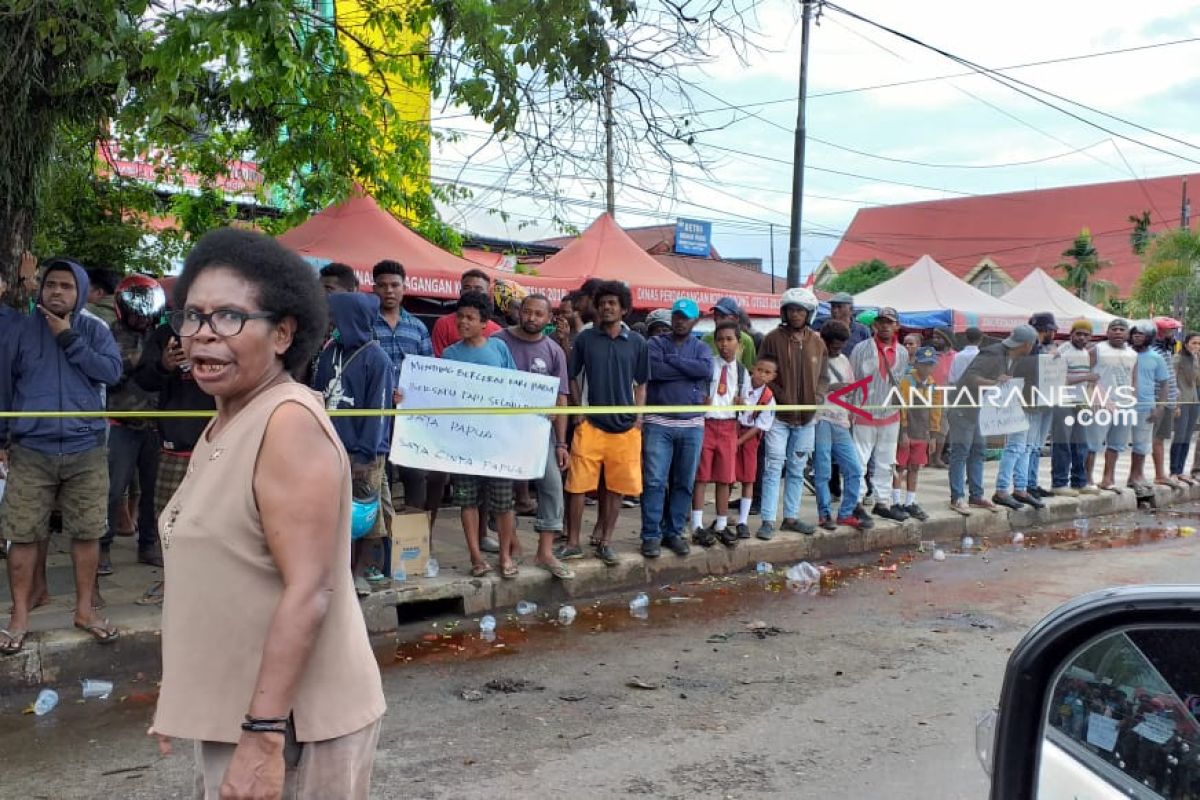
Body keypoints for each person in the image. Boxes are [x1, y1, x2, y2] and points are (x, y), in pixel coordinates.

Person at [150, 228, 384, 798]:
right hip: (244, 715)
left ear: (283, 333)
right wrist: (181, 694)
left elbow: (309, 591)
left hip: (293, 727)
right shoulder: (227, 418)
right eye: (193, 316)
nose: (203, 334)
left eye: (229, 317)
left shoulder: (287, 423)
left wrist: (262, 738)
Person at [0, 259, 123, 654]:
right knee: (21, 534)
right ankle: (19, 615)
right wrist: (2, 439)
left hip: (85, 448)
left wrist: (69, 338)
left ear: (81, 292)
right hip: (30, 450)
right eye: (50, 284)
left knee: (87, 531)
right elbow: (4, 386)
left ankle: (85, 610)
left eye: (66, 286)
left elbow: (111, 373)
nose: (56, 291)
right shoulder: (20, 330)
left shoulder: (94, 329)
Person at [130, 311, 217, 607]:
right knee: (169, 518)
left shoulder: (228, 329)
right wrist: (165, 365)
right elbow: (144, 379)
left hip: (220, 442)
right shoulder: (167, 332)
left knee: (214, 520)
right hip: (175, 444)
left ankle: (209, 583)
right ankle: (173, 582)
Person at [312, 292, 396, 596]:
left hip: (363, 453)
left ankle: (356, 573)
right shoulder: (329, 351)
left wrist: (365, 456)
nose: (332, 323)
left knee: (361, 517)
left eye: (336, 318)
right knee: (331, 515)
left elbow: (379, 412)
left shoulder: (378, 360)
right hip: (328, 446)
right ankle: (332, 571)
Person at [561, 281, 649, 562]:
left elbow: (641, 383)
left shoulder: (637, 342)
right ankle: (573, 542)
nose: (607, 307)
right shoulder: (586, 339)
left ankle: (606, 541)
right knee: (576, 486)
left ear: (624, 308)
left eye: (613, 303)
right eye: (603, 303)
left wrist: (639, 417)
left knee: (616, 487)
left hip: (626, 429)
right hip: (591, 426)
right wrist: (579, 411)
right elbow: (572, 376)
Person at [492, 294, 575, 580]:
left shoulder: (554, 351)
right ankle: (508, 548)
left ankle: (545, 552)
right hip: (501, 431)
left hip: (540, 433)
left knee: (552, 486)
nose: (531, 318)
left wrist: (562, 443)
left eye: (538, 314)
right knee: (502, 492)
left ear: (548, 318)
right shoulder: (497, 341)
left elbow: (561, 399)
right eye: (527, 312)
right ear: (519, 312)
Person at [438, 292, 520, 577]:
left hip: (498, 441)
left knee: (503, 501)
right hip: (464, 441)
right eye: (460, 316)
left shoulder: (498, 350)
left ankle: (505, 557)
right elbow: (438, 394)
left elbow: (516, 388)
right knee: (467, 500)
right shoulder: (449, 355)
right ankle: (475, 557)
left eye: (470, 318)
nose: (463, 322)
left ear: (484, 323)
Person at [98, 275, 168, 577]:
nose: (141, 317)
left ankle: (148, 544)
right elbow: (109, 376)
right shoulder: (109, 334)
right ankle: (102, 546)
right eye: (135, 311)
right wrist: (141, 360)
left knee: (153, 491)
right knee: (113, 489)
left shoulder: (162, 335)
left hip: (156, 424)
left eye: (145, 311)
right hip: (121, 421)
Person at [640, 298, 709, 558]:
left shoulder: (701, 347)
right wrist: (686, 369)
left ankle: (674, 532)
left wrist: (674, 362)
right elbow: (655, 371)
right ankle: (651, 535)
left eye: (686, 317)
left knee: (683, 482)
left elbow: (704, 369)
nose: (680, 320)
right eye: (677, 316)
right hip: (659, 422)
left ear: (695, 320)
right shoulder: (655, 344)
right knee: (655, 481)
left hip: (692, 425)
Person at [370, 259, 437, 524]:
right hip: (376, 415)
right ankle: (380, 538)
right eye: (383, 285)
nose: (389, 290)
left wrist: (414, 396)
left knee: (415, 475)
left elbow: (428, 372)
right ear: (374, 288)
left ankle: (413, 539)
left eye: (395, 285)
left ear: (404, 288)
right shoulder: (366, 325)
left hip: (410, 416)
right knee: (378, 474)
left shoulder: (418, 327)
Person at [756, 287, 826, 539]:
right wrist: (777, 395)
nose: (796, 314)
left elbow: (824, 377)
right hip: (778, 417)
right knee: (773, 467)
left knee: (797, 468)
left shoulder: (817, 342)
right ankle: (767, 520)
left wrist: (817, 399)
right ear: (784, 311)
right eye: (792, 309)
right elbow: (762, 372)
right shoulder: (772, 338)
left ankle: (791, 517)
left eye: (800, 310)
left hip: (806, 419)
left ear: (809, 313)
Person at [948, 326, 1038, 517]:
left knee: (978, 452)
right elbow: (971, 378)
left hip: (980, 411)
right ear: (1027, 345)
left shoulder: (1010, 356)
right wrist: (995, 383)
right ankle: (957, 497)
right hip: (963, 408)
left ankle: (977, 495)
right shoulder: (994, 354)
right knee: (960, 453)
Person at [848, 306, 909, 522]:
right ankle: (855, 501)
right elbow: (853, 381)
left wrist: (900, 414)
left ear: (896, 326)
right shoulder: (861, 348)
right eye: (881, 322)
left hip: (890, 413)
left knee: (887, 460)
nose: (884, 326)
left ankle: (882, 502)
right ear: (875, 325)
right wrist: (850, 410)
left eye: (889, 322)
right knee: (859, 459)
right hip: (864, 411)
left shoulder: (902, 352)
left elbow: (899, 383)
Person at [994, 313, 1055, 510]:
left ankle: (1020, 488)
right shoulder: (1012, 356)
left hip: (1032, 404)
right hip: (1019, 404)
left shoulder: (1034, 353)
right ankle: (1002, 489)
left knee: (1026, 447)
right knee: (1015, 447)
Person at [691, 320, 743, 547]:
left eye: (729, 339)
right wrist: (700, 400)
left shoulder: (741, 371)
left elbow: (747, 399)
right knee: (701, 476)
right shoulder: (709, 365)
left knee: (725, 477)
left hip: (729, 425)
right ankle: (697, 524)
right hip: (707, 424)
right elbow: (697, 390)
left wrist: (743, 403)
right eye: (720, 339)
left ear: (739, 343)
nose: (724, 344)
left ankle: (721, 523)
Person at [812, 321, 868, 531]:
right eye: (834, 346)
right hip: (821, 419)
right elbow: (809, 388)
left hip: (842, 419)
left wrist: (850, 402)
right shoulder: (816, 360)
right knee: (823, 470)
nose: (838, 350)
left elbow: (852, 387)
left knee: (854, 469)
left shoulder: (844, 360)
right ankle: (824, 514)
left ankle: (846, 513)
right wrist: (831, 388)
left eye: (841, 346)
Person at [1050, 320, 1101, 496]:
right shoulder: (1063, 351)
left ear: (1090, 337)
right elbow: (1059, 379)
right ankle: (1059, 483)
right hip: (1063, 403)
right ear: (1071, 334)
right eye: (1078, 333)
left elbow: (1086, 381)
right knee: (1062, 444)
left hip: (1080, 402)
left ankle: (1080, 481)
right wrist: (1087, 377)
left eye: (1086, 335)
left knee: (1081, 444)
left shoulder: (1085, 353)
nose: (1082, 337)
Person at [893, 345, 941, 521]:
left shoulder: (932, 385)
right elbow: (902, 407)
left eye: (931, 365)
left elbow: (936, 410)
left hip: (922, 433)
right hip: (907, 431)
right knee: (900, 467)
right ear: (916, 364)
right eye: (924, 364)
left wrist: (934, 435)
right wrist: (903, 431)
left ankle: (910, 502)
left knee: (915, 467)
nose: (927, 368)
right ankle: (896, 501)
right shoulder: (907, 381)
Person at [732, 355, 777, 538]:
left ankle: (742, 521)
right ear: (753, 368)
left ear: (773, 376)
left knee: (748, 478)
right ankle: (721, 519)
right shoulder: (740, 385)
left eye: (767, 373)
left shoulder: (769, 398)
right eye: (759, 370)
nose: (761, 375)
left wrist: (740, 441)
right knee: (727, 476)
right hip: (732, 429)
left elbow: (761, 425)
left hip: (750, 437)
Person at [1091, 319, 1138, 492]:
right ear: (1108, 332)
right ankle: (1087, 480)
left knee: (1116, 444)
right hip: (1100, 404)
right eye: (1114, 329)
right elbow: (1087, 375)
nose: (1118, 332)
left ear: (1127, 334)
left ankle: (1108, 479)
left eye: (1122, 329)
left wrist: (1132, 397)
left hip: (1124, 405)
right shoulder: (1097, 349)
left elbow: (1134, 377)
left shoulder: (1133, 354)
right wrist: (1099, 397)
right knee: (1093, 444)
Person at [1126, 320, 1170, 493]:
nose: (1137, 336)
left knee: (1141, 444)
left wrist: (1159, 407)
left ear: (1149, 337)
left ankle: (1136, 476)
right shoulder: (1125, 354)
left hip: (1146, 406)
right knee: (1115, 444)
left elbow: (1164, 384)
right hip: (1122, 406)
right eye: (1134, 333)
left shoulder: (1156, 357)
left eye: (1141, 333)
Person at [1022, 313, 1059, 501]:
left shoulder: (1047, 348)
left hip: (1047, 399)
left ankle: (1032, 482)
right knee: (1029, 445)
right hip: (1032, 400)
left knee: (1036, 445)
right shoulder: (1029, 348)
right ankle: (1025, 484)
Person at [431, 269, 501, 355]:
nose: (472, 292)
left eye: (478, 289)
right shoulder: (443, 324)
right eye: (467, 288)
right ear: (460, 292)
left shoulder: (497, 331)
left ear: (487, 294)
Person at [1150, 317, 1182, 487]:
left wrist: (1175, 398)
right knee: (1154, 439)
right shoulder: (1154, 350)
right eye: (1170, 331)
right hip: (1157, 401)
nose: (1173, 334)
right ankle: (1159, 474)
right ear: (1161, 332)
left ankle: (1160, 474)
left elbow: (1170, 377)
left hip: (1168, 400)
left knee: (1161, 438)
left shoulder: (1167, 350)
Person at [1171, 332, 1200, 484]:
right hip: (1181, 402)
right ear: (1186, 343)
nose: (1197, 346)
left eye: (1199, 344)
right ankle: (1174, 470)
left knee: (1188, 437)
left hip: (1194, 402)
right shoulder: (1177, 358)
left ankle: (1181, 470)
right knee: (1179, 436)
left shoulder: (1195, 359)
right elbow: (1172, 381)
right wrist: (1175, 404)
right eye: (1194, 343)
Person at [926, 327, 956, 468]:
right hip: (926, 395)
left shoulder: (956, 356)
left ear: (947, 339)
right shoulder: (929, 354)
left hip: (945, 397)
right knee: (925, 428)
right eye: (934, 337)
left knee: (941, 429)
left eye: (939, 338)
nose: (935, 340)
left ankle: (936, 458)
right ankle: (925, 458)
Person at [702, 297, 756, 370]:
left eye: (723, 316)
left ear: (736, 318)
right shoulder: (706, 339)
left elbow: (749, 369)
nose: (717, 320)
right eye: (716, 315)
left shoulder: (746, 341)